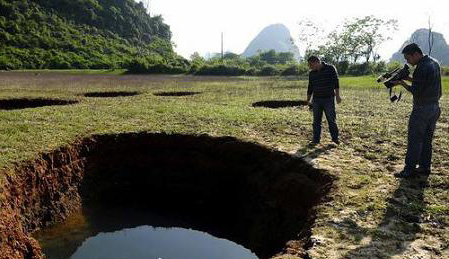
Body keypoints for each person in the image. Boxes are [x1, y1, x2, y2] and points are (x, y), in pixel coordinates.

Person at [392, 43, 442, 178]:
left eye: (408, 58)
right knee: (427, 139)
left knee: (415, 139)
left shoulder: (421, 67)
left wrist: (401, 83)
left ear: (415, 54)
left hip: (422, 109)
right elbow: (424, 82)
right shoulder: (434, 63)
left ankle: (409, 170)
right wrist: (407, 78)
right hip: (435, 107)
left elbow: (416, 91)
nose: (408, 61)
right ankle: (425, 167)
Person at [306, 56, 342, 145]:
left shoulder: (330, 68)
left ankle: (335, 139)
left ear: (317, 62)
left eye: (311, 65)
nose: (310, 67)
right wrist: (308, 99)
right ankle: (315, 140)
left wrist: (337, 96)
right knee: (316, 121)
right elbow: (310, 87)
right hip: (316, 100)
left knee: (331, 120)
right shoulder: (312, 73)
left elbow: (336, 82)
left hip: (328, 99)